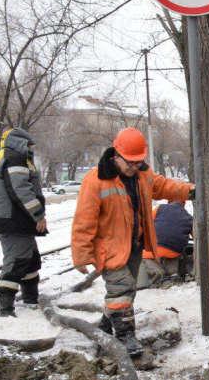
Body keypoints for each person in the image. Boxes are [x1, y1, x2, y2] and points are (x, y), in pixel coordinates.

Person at [71, 128, 194, 357]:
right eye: (130, 162)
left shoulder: (142, 175)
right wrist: (81, 254)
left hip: (135, 245)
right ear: (116, 155)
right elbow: (83, 221)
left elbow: (165, 186)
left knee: (126, 293)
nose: (135, 167)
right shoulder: (96, 181)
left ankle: (105, 329)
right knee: (122, 288)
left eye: (139, 162)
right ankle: (126, 337)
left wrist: (190, 191)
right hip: (109, 248)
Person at [0, 128, 46, 317]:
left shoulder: (4, 156)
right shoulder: (14, 157)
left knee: (31, 261)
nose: (31, 148)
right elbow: (20, 189)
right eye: (29, 144)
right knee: (17, 262)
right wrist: (38, 214)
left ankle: (31, 300)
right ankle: (6, 310)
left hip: (15, 220)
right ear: (20, 142)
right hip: (15, 221)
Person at [137, 200, 193, 289]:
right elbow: (196, 236)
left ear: (168, 201)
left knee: (144, 257)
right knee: (174, 255)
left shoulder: (159, 208)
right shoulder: (189, 217)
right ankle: (173, 272)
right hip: (173, 252)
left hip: (152, 248)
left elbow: (146, 223)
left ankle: (157, 272)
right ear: (184, 204)